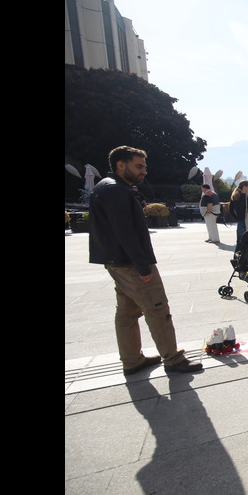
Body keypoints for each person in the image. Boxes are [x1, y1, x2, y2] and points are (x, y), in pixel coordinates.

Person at [89, 146, 203, 375]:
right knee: (157, 307)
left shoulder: (106, 187)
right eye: (138, 166)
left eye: (144, 167)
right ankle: (173, 358)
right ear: (120, 165)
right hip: (131, 262)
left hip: (116, 260)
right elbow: (125, 232)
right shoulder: (116, 191)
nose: (144, 172)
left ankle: (131, 360)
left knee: (127, 312)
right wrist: (143, 266)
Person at [229, 181, 248, 255]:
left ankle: (236, 259)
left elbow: (231, 210)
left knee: (239, 241)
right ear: (244, 187)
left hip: (240, 222)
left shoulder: (235, 196)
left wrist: (237, 218)